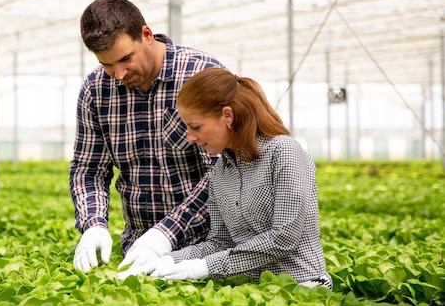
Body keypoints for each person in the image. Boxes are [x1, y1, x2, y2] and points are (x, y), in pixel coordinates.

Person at [70, 0, 225, 274]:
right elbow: (88, 170)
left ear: (146, 35)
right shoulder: (96, 90)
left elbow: (225, 171)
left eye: (125, 58)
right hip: (136, 251)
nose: (119, 73)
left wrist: (165, 234)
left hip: (209, 249)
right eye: (107, 65)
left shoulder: (200, 74)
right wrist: (93, 223)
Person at [137, 68, 332, 289]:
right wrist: (168, 260)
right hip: (253, 289)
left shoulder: (284, 151)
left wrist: (203, 267)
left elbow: (284, 237)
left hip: (304, 286)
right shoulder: (220, 171)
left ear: (227, 116)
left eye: (196, 127)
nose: (190, 138)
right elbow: (220, 242)